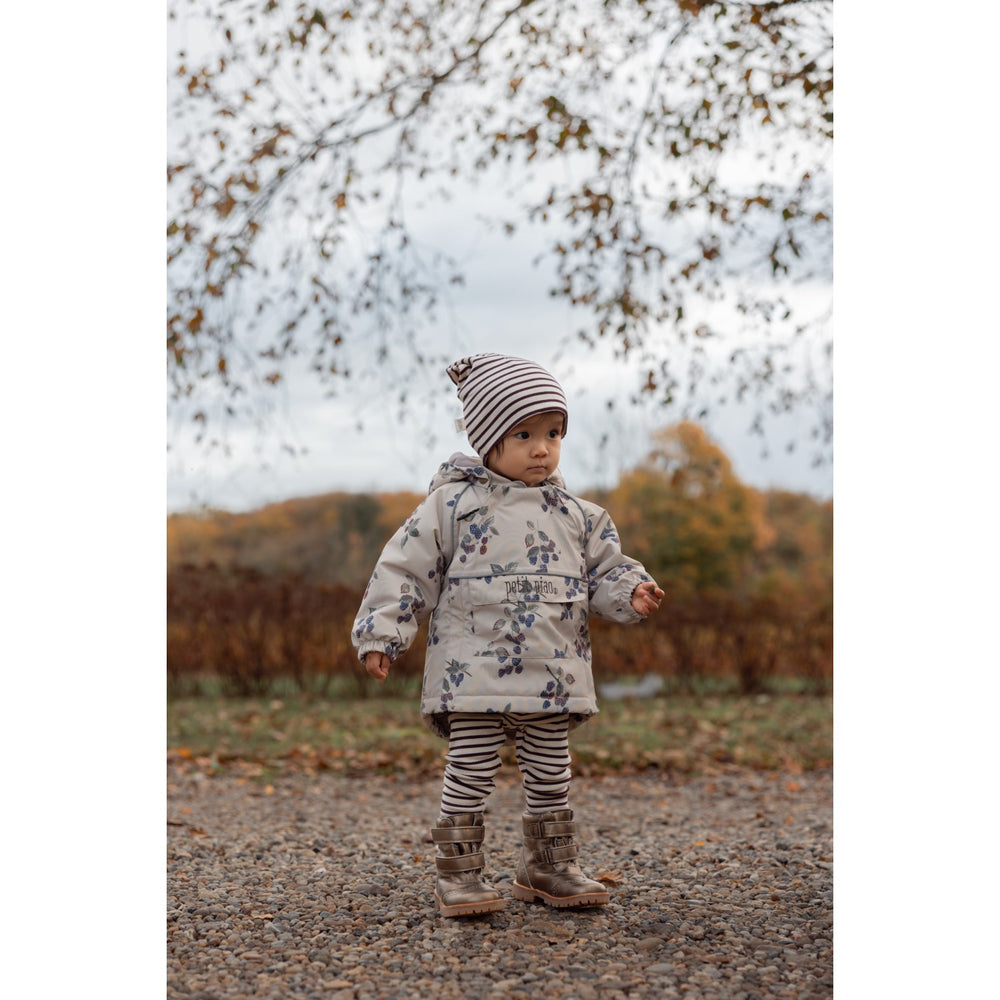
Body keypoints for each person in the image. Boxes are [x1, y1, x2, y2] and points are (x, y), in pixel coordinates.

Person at [352, 353, 664, 917]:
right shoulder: (453, 506)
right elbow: (404, 568)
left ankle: (548, 866)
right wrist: (382, 632)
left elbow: (606, 571)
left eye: (552, 434)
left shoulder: (578, 516)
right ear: (486, 439)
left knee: (551, 777)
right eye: (523, 435)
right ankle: (459, 874)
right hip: (473, 677)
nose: (541, 448)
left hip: (552, 674)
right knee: (471, 771)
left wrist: (630, 591)